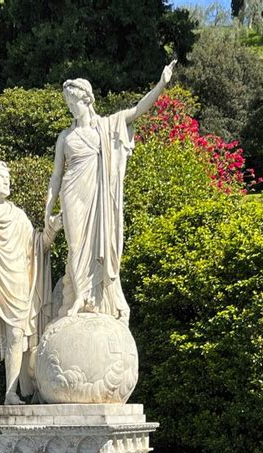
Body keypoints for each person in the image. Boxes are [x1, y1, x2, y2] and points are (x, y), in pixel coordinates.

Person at [44, 60, 177, 323]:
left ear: (87, 100)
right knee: (75, 244)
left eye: (75, 102)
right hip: (71, 192)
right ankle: (80, 293)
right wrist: (48, 209)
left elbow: (137, 110)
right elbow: (56, 175)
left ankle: (87, 297)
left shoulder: (106, 126)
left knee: (94, 245)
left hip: (97, 194)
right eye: (68, 103)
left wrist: (161, 84)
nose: (71, 107)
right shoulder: (65, 137)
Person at [0, 160, 61, 406]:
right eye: (2, 176)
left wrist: (52, 231)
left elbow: (38, 247)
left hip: (17, 284)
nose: (7, 181)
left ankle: (10, 393)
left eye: (8, 177)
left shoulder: (18, 216)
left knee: (16, 338)